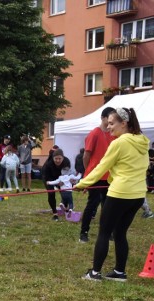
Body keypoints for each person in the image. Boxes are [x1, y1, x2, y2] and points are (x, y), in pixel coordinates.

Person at [76, 107, 150, 282]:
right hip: (138, 195)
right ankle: (119, 272)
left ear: (123, 124)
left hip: (120, 193)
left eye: (111, 123)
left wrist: (82, 183)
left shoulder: (119, 143)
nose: (108, 127)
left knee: (104, 232)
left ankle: (94, 273)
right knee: (120, 232)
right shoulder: (142, 142)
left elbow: (102, 167)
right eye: (107, 123)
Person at [79, 107, 117, 243]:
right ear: (103, 118)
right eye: (110, 118)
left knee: (108, 206)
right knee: (92, 204)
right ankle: (83, 232)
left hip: (109, 177)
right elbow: (86, 155)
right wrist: (89, 173)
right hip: (96, 176)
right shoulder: (95, 133)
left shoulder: (114, 135)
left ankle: (108, 232)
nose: (112, 121)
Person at [42, 148, 71, 221]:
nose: (58, 160)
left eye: (59, 158)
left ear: (63, 158)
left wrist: (64, 181)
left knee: (66, 193)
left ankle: (64, 206)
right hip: (49, 178)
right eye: (56, 158)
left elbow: (67, 174)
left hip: (61, 178)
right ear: (53, 158)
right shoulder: (48, 164)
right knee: (51, 193)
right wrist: (55, 182)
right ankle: (55, 213)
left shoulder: (66, 162)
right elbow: (46, 177)